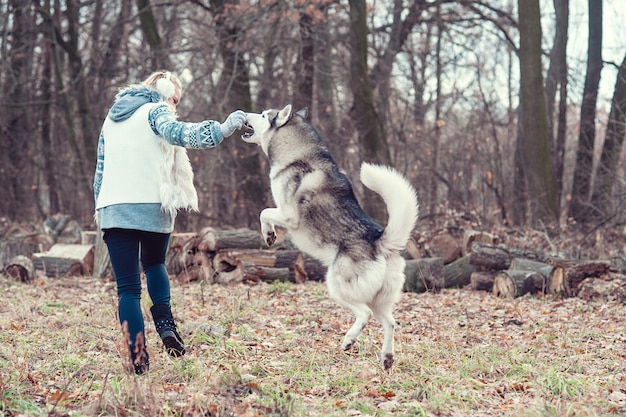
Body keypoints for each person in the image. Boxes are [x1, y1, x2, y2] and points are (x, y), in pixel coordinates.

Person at [93, 70, 246, 375]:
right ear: (163, 92)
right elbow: (178, 134)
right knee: (154, 265)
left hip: (113, 208)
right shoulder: (156, 110)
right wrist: (222, 129)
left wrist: (102, 207)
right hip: (151, 205)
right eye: (174, 99)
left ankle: (138, 360)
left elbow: (100, 168)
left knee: (127, 290)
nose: (175, 106)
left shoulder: (111, 118)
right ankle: (164, 323)